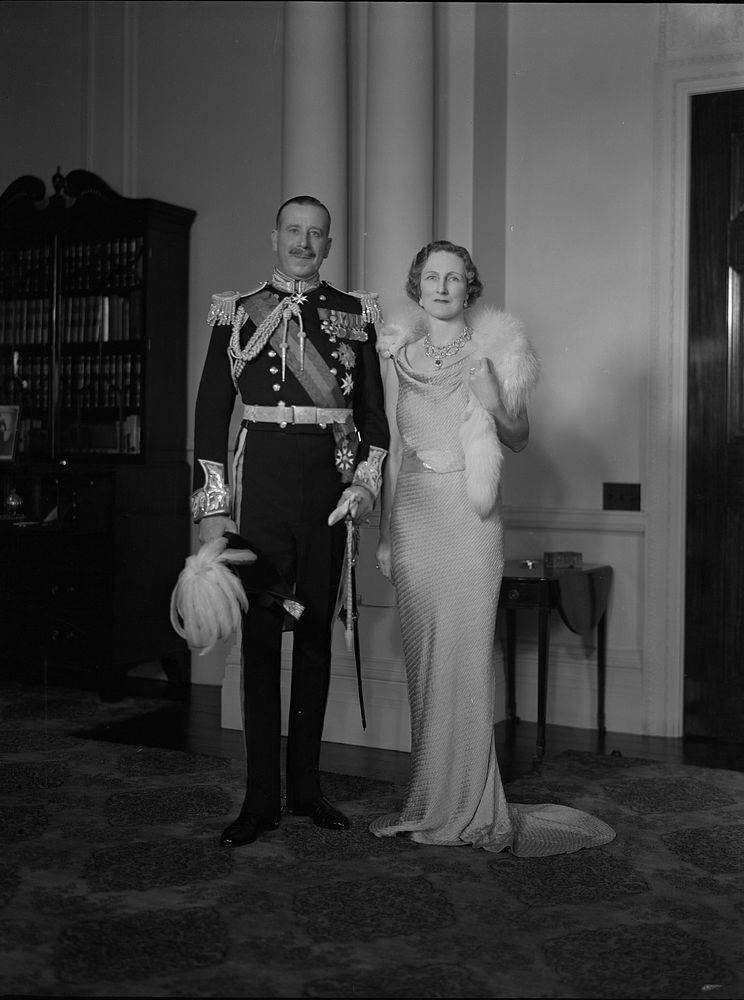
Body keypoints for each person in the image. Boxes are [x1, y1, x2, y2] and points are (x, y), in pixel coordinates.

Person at [369, 240, 615, 856]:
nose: (443, 287)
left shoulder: (494, 352)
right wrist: (383, 540)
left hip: (469, 519)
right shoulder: (395, 354)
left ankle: (474, 807)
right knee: (426, 660)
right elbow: (396, 454)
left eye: (455, 278)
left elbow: (521, 437)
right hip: (414, 520)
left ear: (469, 288)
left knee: (467, 657)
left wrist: (486, 394)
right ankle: (430, 799)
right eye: (432, 277)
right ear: (417, 286)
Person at [192, 195, 389, 848]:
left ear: (329, 244)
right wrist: (213, 509)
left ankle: (306, 790)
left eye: (317, 235)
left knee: (313, 642)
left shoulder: (352, 314)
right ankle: (259, 800)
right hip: (261, 497)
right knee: (259, 638)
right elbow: (208, 419)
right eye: (294, 232)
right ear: (274, 235)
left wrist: (363, 485)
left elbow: (373, 421)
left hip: (327, 496)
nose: (304, 243)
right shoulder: (237, 311)